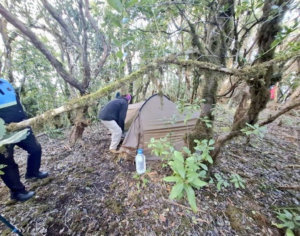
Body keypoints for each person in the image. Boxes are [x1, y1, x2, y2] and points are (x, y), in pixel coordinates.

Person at [0, 78, 48, 202]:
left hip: (21, 125)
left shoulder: (5, 82)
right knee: (7, 163)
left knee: (35, 149)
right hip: (2, 133)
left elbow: (16, 102)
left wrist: (24, 118)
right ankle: (17, 192)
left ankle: (33, 173)